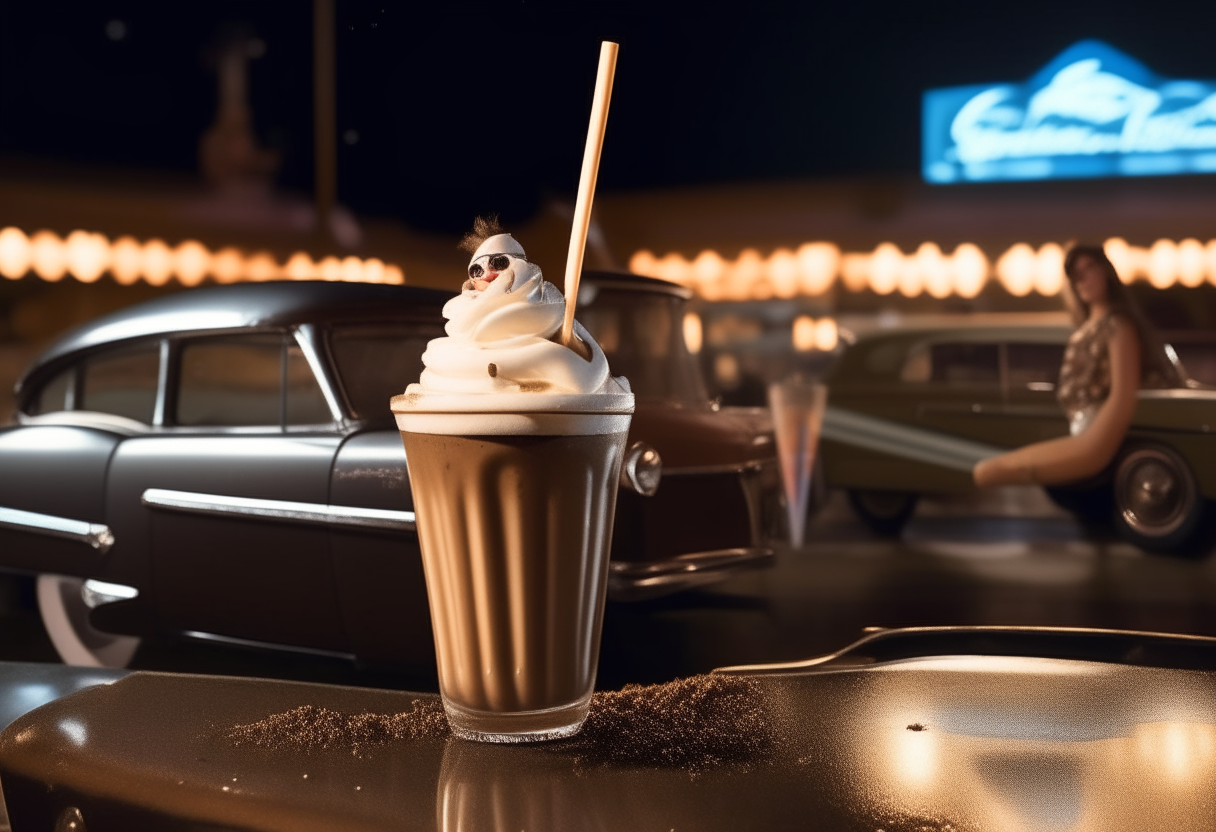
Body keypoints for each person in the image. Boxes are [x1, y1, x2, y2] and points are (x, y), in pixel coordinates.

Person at [972, 244, 1182, 487]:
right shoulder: (1085, 328)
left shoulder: (1117, 325)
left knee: (991, 472)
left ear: (1106, 271)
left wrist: (1094, 445)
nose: (1083, 279)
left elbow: (1122, 397)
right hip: (1081, 429)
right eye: (1076, 275)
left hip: (1100, 432)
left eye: (1090, 268)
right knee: (988, 470)